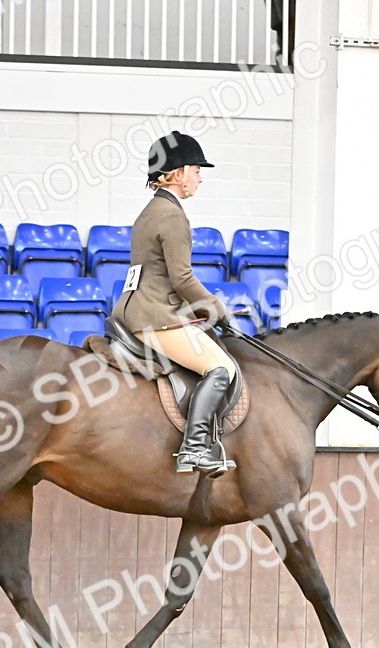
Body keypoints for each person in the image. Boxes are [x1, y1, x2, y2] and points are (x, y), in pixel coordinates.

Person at [111, 130, 238, 476]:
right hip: (154, 316)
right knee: (221, 369)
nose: (200, 176)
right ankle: (195, 448)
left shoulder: (150, 211)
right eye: (196, 169)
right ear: (178, 173)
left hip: (135, 308)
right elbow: (182, 279)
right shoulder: (172, 216)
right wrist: (217, 308)